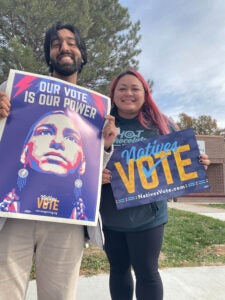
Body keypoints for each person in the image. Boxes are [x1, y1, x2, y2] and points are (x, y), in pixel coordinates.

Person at [0, 22, 118, 300]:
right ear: (49, 54)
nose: (64, 47)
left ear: (81, 54)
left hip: (68, 221)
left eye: (71, 43)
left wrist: (106, 143)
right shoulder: (14, 90)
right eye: (56, 44)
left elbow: (90, 168)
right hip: (13, 216)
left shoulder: (96, 109)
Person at [100, 69, 211, 300]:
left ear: (144, 93)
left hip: (149, 217)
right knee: (118, 270)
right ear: (113, 93)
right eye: (122, 88)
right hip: (110, 215)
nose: (128, 93)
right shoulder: (100, 123)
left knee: (148, 273)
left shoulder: (161, 123)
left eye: (134, 88)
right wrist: (96, 175)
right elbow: (84, 162)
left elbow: (182, 160)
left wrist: (198, 163)